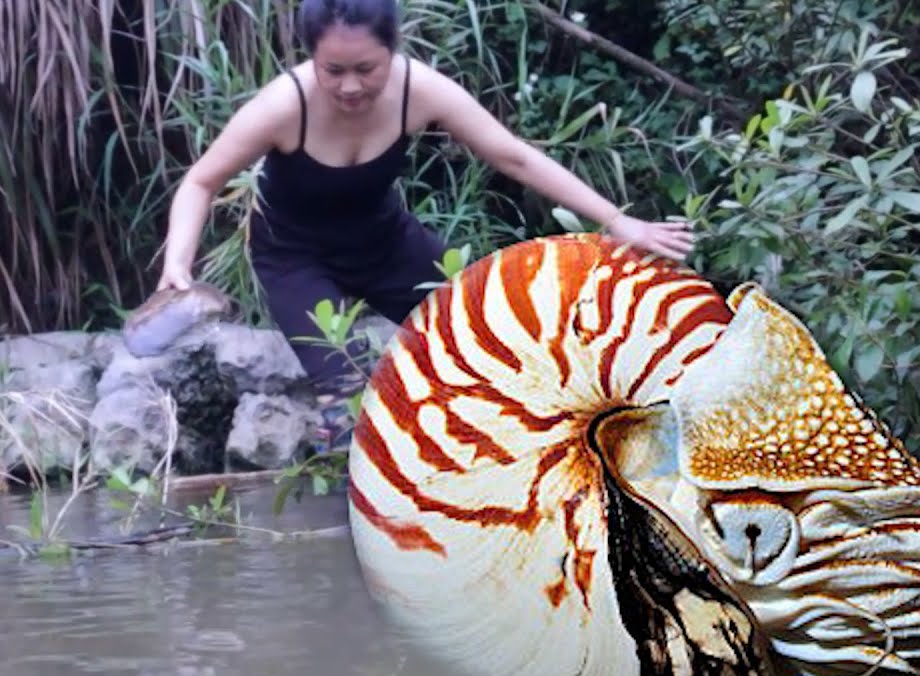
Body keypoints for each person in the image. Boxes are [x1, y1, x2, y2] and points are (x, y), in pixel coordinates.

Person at [155, 0, 696, 449]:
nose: (349, 88)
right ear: (310, 59)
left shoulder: (421, 90)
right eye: (333, 71)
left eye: (366, 69)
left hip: (387, 243)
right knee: (349, 396)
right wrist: (178, 263)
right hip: (296, 259)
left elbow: (514, 157)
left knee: (491, 346)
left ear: (393, 50)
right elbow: (200, 182)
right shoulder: (282, 106)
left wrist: (617, 221)